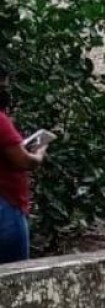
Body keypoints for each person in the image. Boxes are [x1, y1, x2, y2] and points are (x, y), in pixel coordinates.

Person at [0, 65, 48, 264]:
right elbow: (24, 162)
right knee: (15, 276)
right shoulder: (1, 122)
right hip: (5, 205)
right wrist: (39, 151)